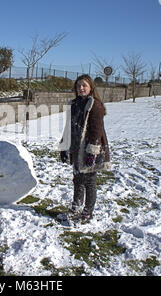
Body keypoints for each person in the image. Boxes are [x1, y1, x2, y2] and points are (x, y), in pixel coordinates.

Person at [59, 74, 111, 223]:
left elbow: (97, 131)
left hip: (89, 150)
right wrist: (63, 147)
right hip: (76, 149)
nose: (81, 88)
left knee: (89, 181)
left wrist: (91, 153)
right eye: (78, 86)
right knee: (77, 179)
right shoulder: (73, 104)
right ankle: (75, 207)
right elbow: (68, 127)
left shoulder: (95, 105)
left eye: (84, 86)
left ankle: (88, 212)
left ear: (90, 88)